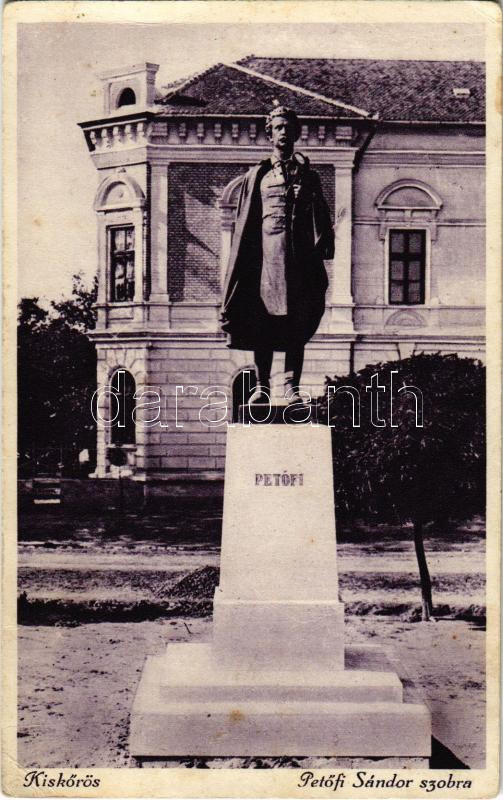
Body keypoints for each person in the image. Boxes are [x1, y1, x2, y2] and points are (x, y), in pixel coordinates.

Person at [221, 103, 334, 403]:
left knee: (297, 321)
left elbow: (321, 217)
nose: (284, 132)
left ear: (296, 133)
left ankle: (291, 387)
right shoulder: (256, 176)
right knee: (262, 321)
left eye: (289, 128)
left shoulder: (308, 176)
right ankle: (262, 387)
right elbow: (245, 222)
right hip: (265, 259)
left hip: (298, 259)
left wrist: (312, 209)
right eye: (278, 127)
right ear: (270, 134)